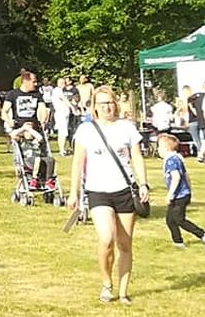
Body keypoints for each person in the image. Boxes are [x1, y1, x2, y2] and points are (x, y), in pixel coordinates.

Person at [67, 86, 149, 306]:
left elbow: (137, 158)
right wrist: (73, 192)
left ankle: (123, 292)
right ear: (94, 107)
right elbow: (77, 162)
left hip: (124, 190)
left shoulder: (126, 128)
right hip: (98, 191)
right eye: (102, 104)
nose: (107, 107)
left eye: (110, 102)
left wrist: (143, 183)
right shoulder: (86, 130)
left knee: (125, 243)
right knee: (106, 239)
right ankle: (106, 283)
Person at [158, 133, 205, 250]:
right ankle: (178, 242)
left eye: (159, 147)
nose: (158, 150)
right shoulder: (177, 158)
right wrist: (189, 189)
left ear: (166, 148)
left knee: (179, 219)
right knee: (170, 220)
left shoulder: (171, 161)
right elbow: (186, 176)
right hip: (182, 194)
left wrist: (170, 194)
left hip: (179, 196)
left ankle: (204, 235)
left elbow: (176, 177)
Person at [2, 72, 49, 188]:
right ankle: (24, 180)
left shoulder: (37, 94)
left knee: (40, 154)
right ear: (25, 81)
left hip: (34, 128)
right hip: (20, 129)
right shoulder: (13, 94)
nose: (36, 84)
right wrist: (9, 121)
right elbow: (4, 111)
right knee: (21, 158)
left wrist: (43, 120)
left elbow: (42, 108)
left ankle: (40, 179)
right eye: (33, 81)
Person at [51, 77, 74, 156]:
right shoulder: (57, 90)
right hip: (61, 114)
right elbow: (64, 99)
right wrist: (72, 107)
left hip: (63, 114)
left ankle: (62, 149)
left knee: (62, 132)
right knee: (63, 132)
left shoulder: (59, 90)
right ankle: (62, 150)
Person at [188, 83, 205, 161]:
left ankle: (201, 154)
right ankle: (203, 154)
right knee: (204, 139)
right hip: (203, 120)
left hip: (194, 121)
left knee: (197, 139)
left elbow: (193, 109)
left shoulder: (193, 97)